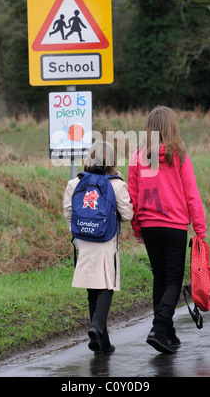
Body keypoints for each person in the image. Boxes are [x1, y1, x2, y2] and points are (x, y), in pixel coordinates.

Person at [128, 106, 206, 353]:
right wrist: (200, 232)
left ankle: (168, 333)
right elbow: (191, 195)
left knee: (160, 278)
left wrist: (137, 228)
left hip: (150, 226)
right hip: (174, 226)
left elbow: (133, 196)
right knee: (173, 279)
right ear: (172, 127)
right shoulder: (179, 156)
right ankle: (160, 326)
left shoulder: (138, 157)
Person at [63, 141, 133, 354]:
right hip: (106, 240)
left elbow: (68, 211)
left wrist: (79, 230)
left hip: (83, 239)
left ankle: (102, 342)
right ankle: (95, 327)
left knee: (92, 286)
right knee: (107, 285)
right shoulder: (117, 184)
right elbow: (128, 214)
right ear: (112, 161)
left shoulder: (75, 183)